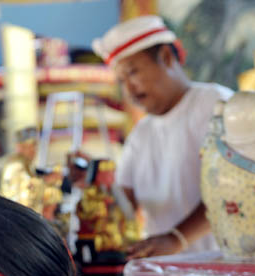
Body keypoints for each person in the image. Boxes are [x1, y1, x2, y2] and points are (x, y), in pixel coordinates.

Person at [92, 14, 233, 258]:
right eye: (121, 81)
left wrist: (177, 239)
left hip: (224, 269)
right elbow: (123, 204)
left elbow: (234, 189)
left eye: (133, 72)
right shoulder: (142, 133)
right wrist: (93, 181)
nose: (129, 89)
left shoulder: (216, 104)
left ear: (166, 58)